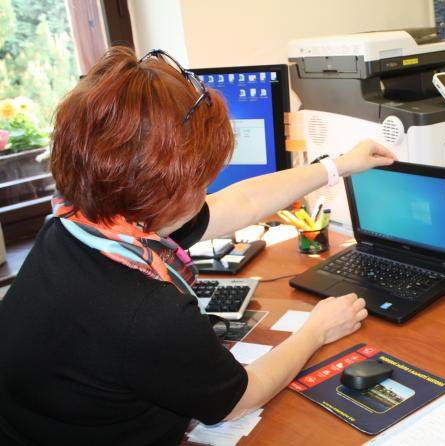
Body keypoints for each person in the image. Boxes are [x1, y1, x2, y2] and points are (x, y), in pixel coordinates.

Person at [0, 46, 396, 445]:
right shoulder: (148, 311)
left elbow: (241, 203)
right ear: (163, 192)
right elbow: (240, 398)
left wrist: (337, 165)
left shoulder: (78, 223)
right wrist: (316, 330)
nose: (206, 192)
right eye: (202, 182)